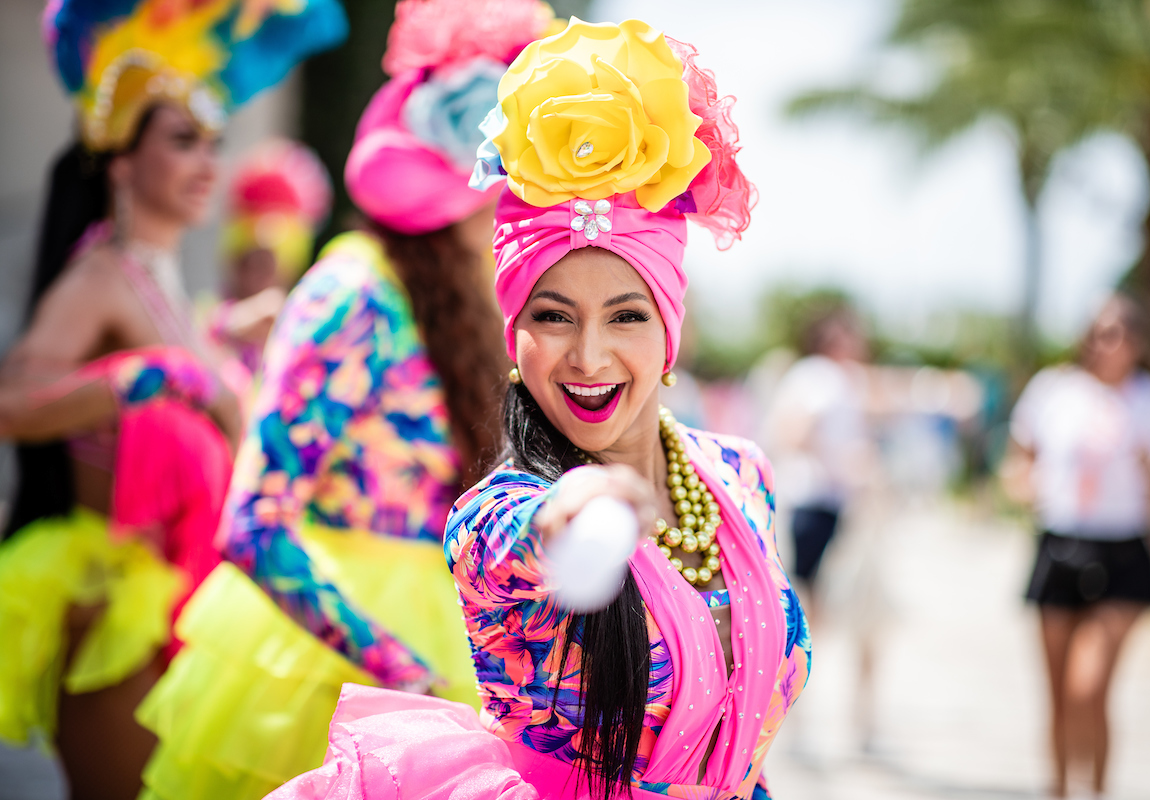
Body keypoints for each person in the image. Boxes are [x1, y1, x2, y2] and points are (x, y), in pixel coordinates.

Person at [268, 18, 809, 800]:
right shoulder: (494, 517)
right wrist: (574, 506)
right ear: (513, 332)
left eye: (626, 316)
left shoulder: (741, 474)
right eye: (553, 317)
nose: (588, 358)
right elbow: (530, 536)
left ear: (671, 327)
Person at [134, 2, 556, 798]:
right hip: (327, 684)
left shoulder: (472, 308)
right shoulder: (352, 290)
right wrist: (405, 677)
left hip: (440, 661)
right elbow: (254, 522)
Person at [0, 1, 345, 797]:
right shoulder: (104, 274)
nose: (207, 164)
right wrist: (136, 381)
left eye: (215, 145)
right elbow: (17, 397)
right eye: (183, 141)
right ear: (120, 162)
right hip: (112, 614)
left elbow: (173, 372)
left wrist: (221, 339)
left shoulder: (159, 279)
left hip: (183, 601)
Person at [1001, 294, 1150, 799]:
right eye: (1105, 331)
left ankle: (1098, 790)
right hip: (1061, 541)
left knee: (1089, 688)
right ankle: (1060, 789)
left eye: (1126, 332)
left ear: (1140, 341)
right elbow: (1018, 459)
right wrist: (1025, 485)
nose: (1115, 342)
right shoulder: (1054, 390)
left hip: (1124, 549)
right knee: (1059, 695)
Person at [762, 306, 872, 591]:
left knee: (810, 583)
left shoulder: (817, 375)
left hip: (819, 495)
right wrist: (841, 460)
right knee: (805, 585)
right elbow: (794, 431)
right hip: (812, 495)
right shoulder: (822, 375)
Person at [207, 139, 333, 384]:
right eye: (249, 256)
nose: (258, 268)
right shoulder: (211, 321)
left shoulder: (306, 325)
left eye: (270, 261)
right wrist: (230, 324)